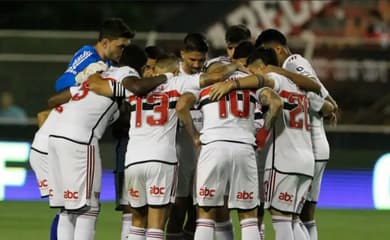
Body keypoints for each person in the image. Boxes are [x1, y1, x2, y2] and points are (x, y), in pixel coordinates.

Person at [255, 28, 338, 240]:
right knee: (302, 217)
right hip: (309, 148)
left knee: (288, 216)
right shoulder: (290, 75)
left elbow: (315, 91)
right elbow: (324, 98)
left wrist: (326, 107)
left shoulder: (292, 62)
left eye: (269, 53)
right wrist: (327, 107)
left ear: (278, 49)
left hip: (307, 145)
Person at [176, 60, 263, 240]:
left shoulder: (203, 84)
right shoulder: (250, 82)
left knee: (206, 216)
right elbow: (274, 100)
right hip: (244, 148)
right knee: (248, 218)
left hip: (213, 147)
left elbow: (181, 105)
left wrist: (194, 135)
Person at [166, 32, 208, 240]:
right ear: (182, 54)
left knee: (199, 209)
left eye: (201, 60)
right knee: (178, 206)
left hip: (204, 151)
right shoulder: (172, 78)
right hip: (180, 149)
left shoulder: (207, 77)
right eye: (192, 60)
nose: (197, 64)